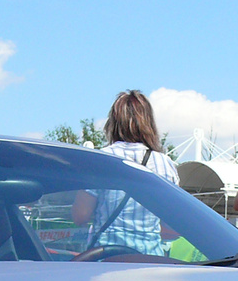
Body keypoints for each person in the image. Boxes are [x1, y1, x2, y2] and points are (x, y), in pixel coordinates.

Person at [70, 90, 179, 256]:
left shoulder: (99, 159)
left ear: (113, 123)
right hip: (150, 261)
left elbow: (80, 216)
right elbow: (174, 227)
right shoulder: (166, 164)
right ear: (149, 123)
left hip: (105, 258)